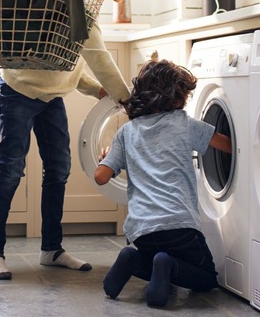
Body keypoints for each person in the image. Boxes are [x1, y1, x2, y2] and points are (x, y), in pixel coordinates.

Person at [0, 0, 151, 280]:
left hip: (51, 96)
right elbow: (98, 56)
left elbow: (69, 61)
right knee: (11, 168)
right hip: (19, 89)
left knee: (58, 169)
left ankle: (51, 249)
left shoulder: (89, 4)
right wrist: (127, 100)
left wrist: (95, 90)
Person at [94, 59, 233, 307]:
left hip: (142, 231)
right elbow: (229, 146)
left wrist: (108, 159)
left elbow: (101, 177)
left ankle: (132, 260)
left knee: (153, 256)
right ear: (177, 99)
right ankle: (166, 265)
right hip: (180, 226)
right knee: (206, 278)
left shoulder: (126, 132)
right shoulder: (184, 124)